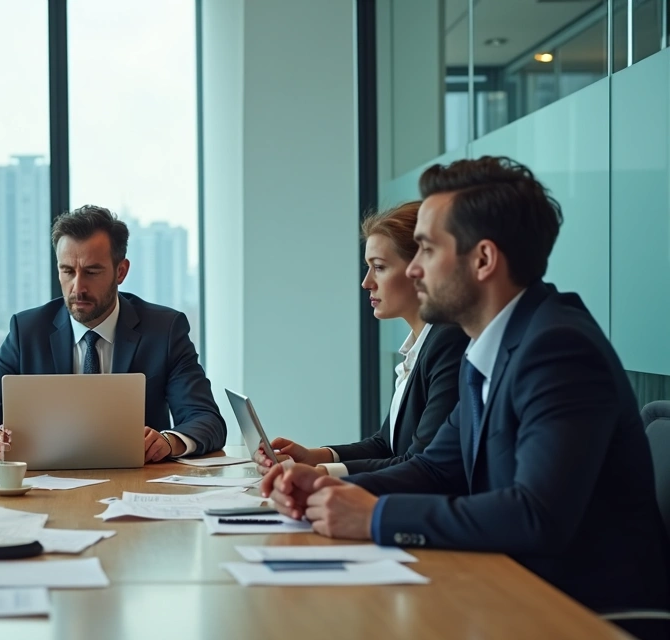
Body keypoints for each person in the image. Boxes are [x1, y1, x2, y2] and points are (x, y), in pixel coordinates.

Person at [262, 156, 669, 614]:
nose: (414, 271)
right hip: (511, 589)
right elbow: (435, 469)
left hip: (583, 612)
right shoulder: (492, 346)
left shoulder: (558, 349)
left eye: (428, 251)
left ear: (483, 259)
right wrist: (324, 489)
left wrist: (376, 516)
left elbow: (536, 516)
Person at [0, 205, 226, 462]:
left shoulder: (164, 330)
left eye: (92, 271)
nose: (77, 287)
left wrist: (169, 441)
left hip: (139, 487)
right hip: (44, 491)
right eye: (67, 271)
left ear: (121, 271)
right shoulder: (27, 332)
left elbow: (206, 420)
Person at [255, 202, 468, 477]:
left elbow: (419, 462)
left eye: (379, 267)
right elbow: (386, 444)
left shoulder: (448, 341)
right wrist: (314, 457)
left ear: (420, 268)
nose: (367, 282)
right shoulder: (422, 342)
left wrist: (319, 474)